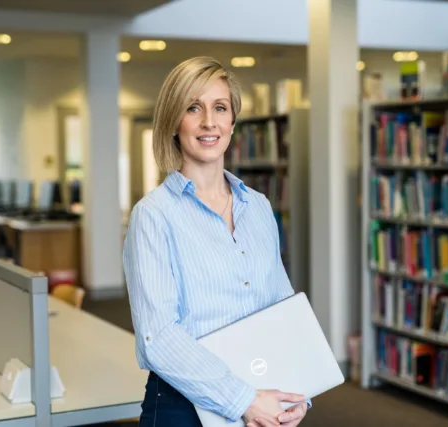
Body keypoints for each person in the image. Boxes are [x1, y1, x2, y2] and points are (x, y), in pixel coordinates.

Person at [123, 56, 311, 427]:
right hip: (184, 408)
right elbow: (158, 338)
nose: (209, 121)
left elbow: (283, 310)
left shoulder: (257, 207)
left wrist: (298, 392)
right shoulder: (154, 215)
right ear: (173, 122)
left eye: (220, 108)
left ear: (232, 121)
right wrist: (243, 400)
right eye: (193, 108)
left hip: (261, 395)